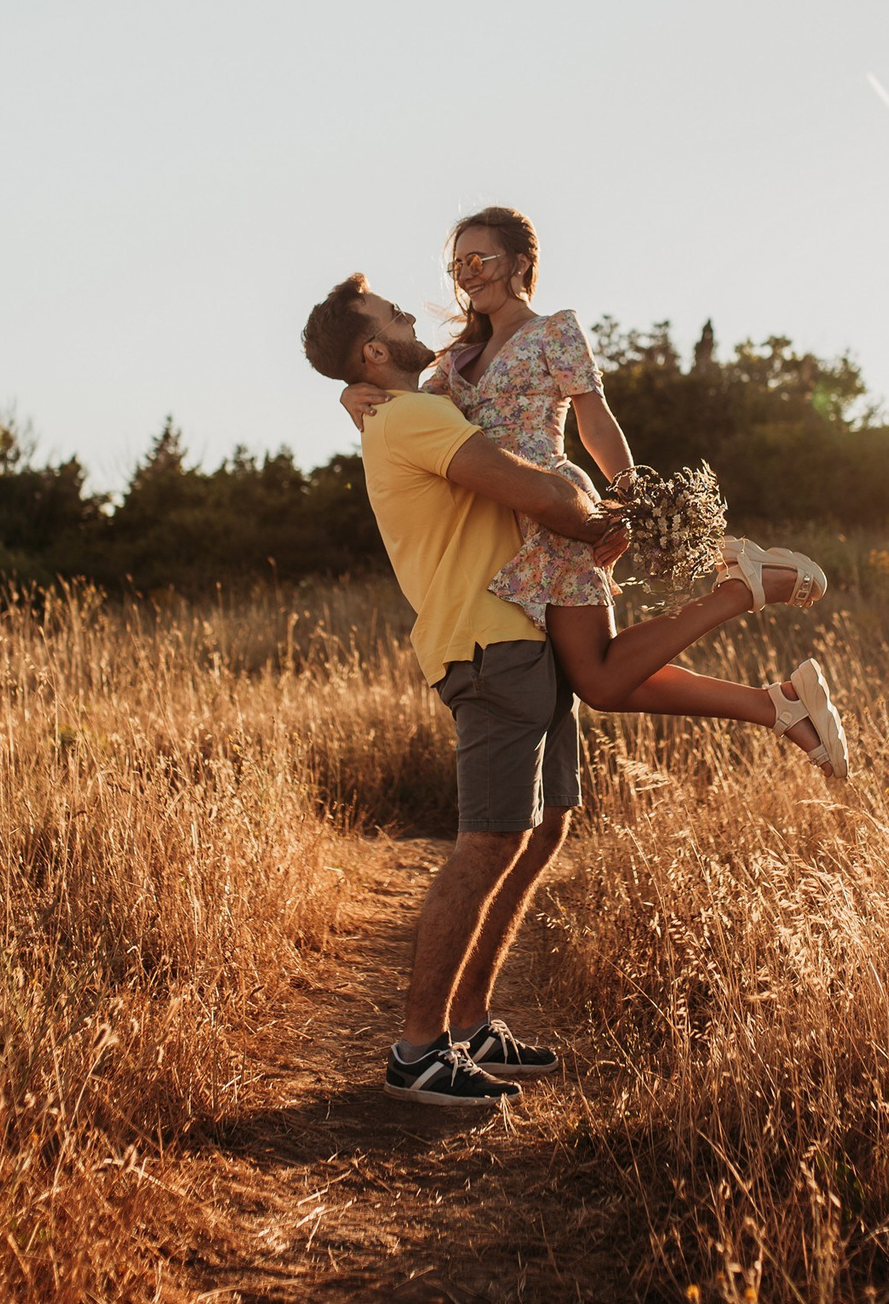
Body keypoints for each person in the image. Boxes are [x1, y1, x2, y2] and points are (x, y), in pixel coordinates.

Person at [300, 275, 840, 1109]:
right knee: (487, 843)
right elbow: (546, 492)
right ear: (373, 349)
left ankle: (472, 1021)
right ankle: (416, 1049)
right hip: (487, 643)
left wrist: (601, 530)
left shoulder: (408, 404)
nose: (413, 316)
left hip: (520, 630)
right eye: (393, 316)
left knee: (543, 829)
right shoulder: (410, 415)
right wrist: (603, 521)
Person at [341, 206, 851, 777]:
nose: (468, 272)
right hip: (503, 523)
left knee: (600, 680)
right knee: (597, 676)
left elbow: (595, 420)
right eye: (458, 263)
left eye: (480, 258)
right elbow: (401, 396)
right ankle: (774, 702)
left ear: (520, 263)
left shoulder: (553, 330)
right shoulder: (451, 363)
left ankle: (744, 591)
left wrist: (630, 501)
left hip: (556, 509)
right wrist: (350, 393)